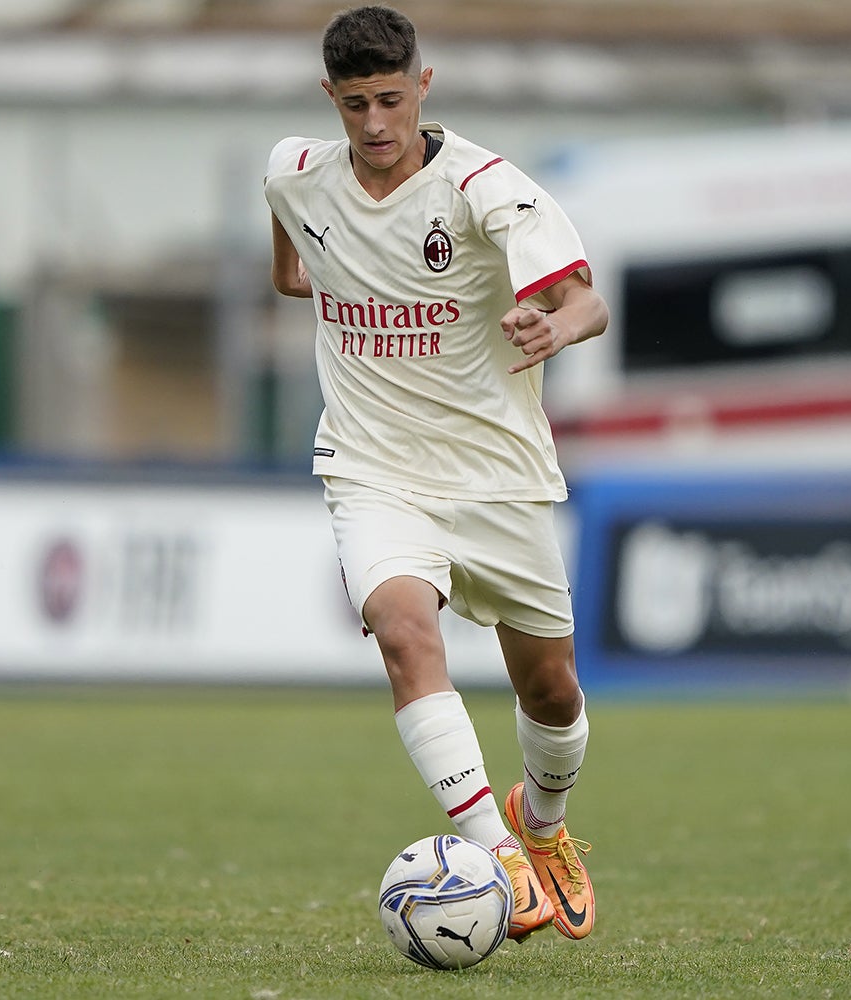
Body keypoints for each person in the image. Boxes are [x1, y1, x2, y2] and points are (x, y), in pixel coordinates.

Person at [264, 4, 608, 942]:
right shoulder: (298, 172)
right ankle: (496, 854)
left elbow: (587, 302)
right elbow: (291, 254)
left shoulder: (487, 190)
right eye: (353, 105)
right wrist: (300, 275)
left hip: (495, 476)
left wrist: (554, 326)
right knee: (403, 632)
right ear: (329, 99)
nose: (374, 125)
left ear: (424, 85)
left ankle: (544, 827)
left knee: (553, 693)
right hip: (373, 468)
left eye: (388, 99)